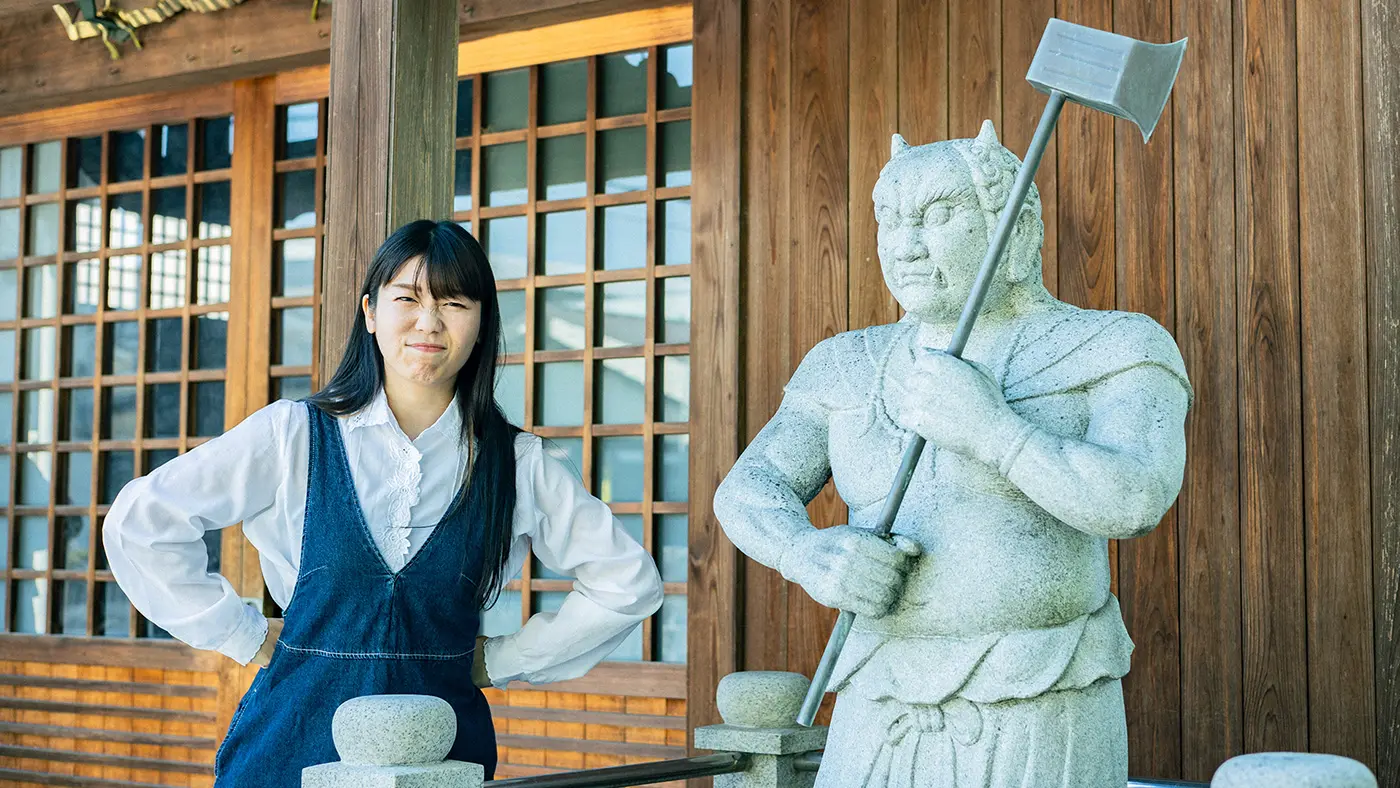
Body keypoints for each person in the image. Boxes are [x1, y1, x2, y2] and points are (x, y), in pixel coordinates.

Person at [713, 123, 1191, 787]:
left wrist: (993, 430)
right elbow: (749, 486)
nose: (904, 245)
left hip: (1042, 694)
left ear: (1017, 228)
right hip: (876, 695)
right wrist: (806, 552)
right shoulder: (847, 363)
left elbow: (1135, 497)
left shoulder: (1113, 347)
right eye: (890, 219)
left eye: (939, 215)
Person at [104, 220, 664, 785]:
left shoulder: (521, 465)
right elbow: (142, 523)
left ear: (481, 324)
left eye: (454, 303)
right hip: (289, 740)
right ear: (371, 313)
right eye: (408, 299)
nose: (429, 322)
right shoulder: (293, 436)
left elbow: (628, 584)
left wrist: (506, 658)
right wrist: (241, 634)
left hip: (439, 753)